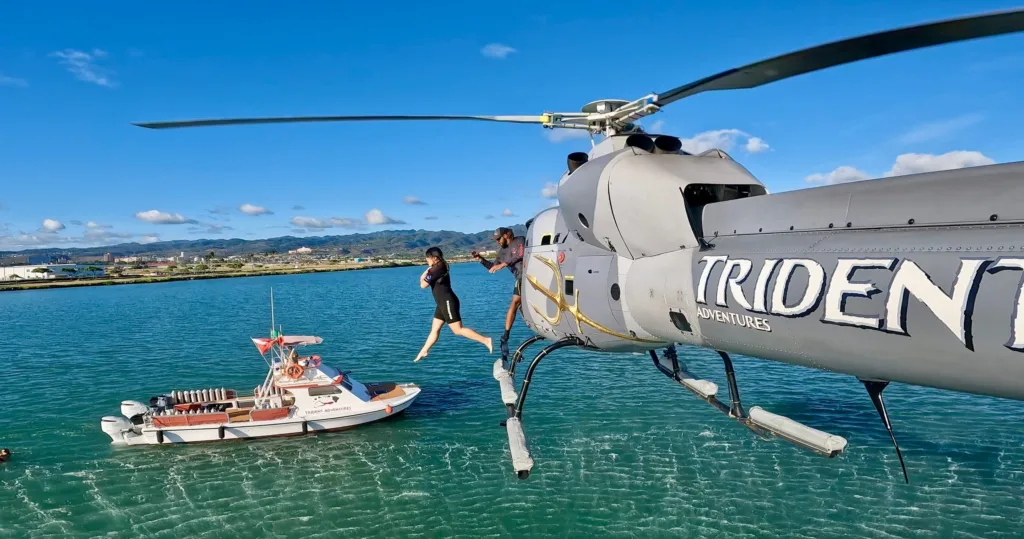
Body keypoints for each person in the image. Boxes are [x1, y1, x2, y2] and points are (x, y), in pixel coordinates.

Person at [415, 247, 493, 362]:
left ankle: (486, 340)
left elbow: (423, 285)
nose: (427, 260)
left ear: (434, 258)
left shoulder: (436, 269)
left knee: (457, 330)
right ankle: (424, 350)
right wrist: (429, 269)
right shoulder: (439, 266)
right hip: (442, 303)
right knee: (435, 329)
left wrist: (426, 271)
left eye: (428, 258)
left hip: (447, 302)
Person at [472, 227, 526, 362]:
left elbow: (520, 254)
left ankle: (506, 336)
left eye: (498, 239)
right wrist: (480, 259)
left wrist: (503, 265)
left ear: (507, 235)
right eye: (495, 240)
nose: (497, 242)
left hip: (529, 276)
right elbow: (492, 267)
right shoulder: (502, 253)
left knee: (515, 302)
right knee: (516, 305)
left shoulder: (519, 240)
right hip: (520, 279)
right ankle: (505, 337)